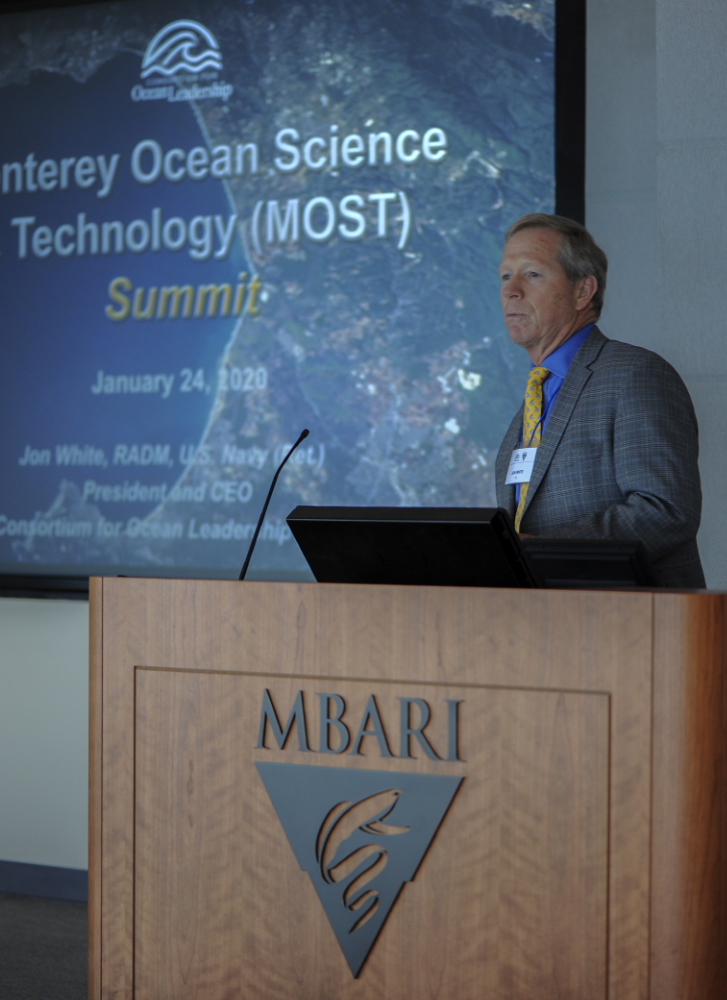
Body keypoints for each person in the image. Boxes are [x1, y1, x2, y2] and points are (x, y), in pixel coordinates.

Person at [494, 213, 705, 588]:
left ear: (583, 291)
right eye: (506, 275)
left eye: (532, 274)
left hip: (633, 617)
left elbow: (666, 511)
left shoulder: (636, 374)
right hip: (544, 616)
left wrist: (542, 553)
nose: (511, 290)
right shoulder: (534, 397)